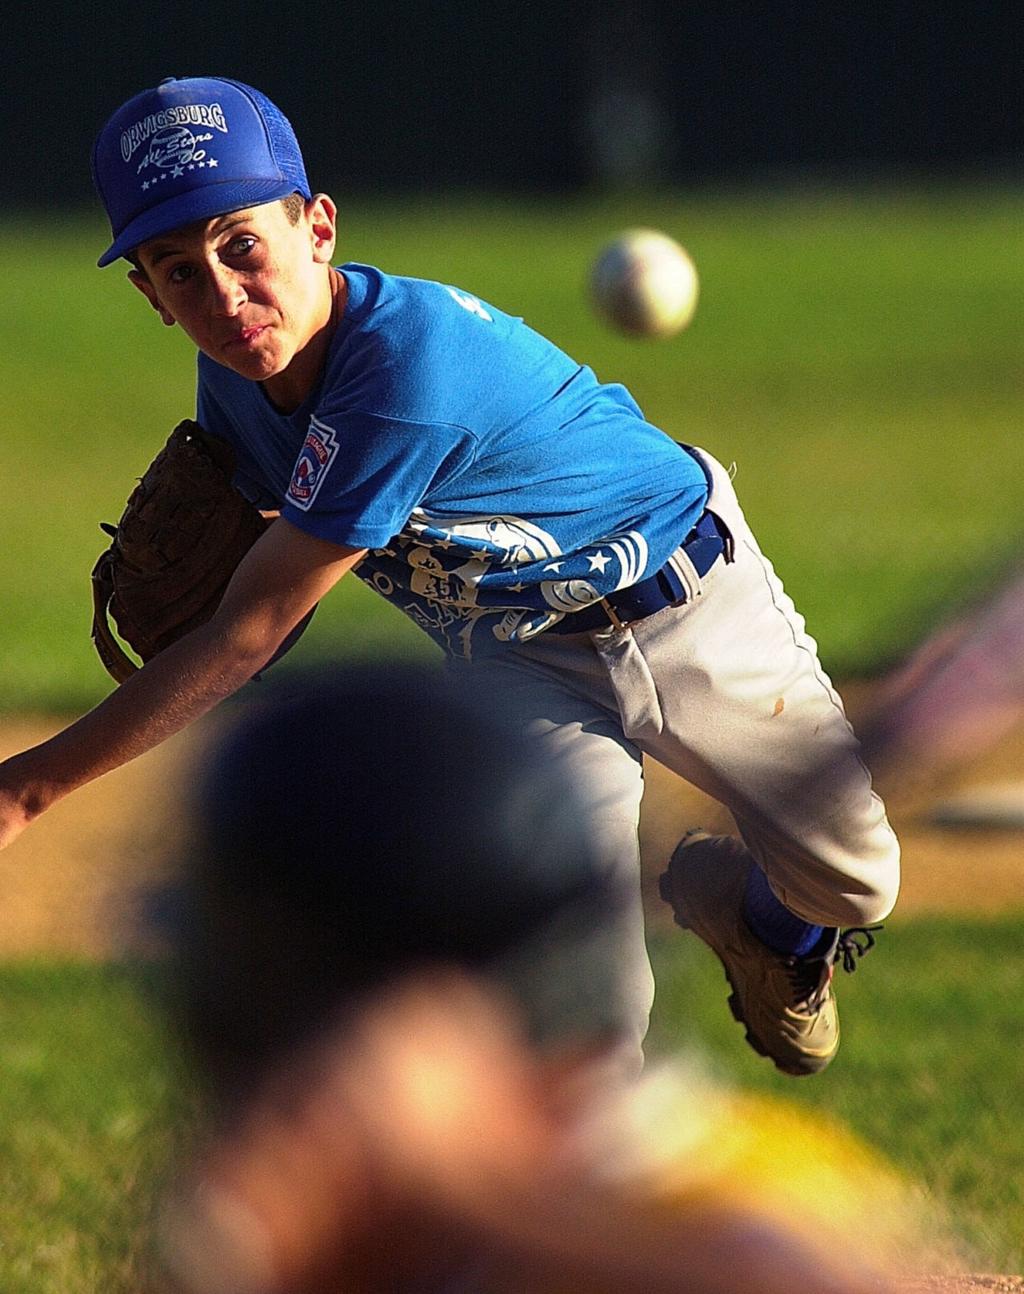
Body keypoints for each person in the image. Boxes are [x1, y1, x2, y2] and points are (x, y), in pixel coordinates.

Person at [0, 75, 899, 1078]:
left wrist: (25, 790)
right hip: (515, 666)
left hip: (688, 603)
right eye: (177, 270)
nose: (222, 295)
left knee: (855, 880)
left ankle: (767, 932)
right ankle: (568, 1212)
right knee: (576, 996)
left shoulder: (403, 371)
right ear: (148, 296)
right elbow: (258, 557)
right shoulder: (237, 380)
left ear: (317, 228)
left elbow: (248, 630)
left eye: (240, 244)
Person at [153, 665, 901, 1294]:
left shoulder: (713, 1183)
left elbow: (785, 1268)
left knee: (855, 873)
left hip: (665, 601)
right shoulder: (290, 1220)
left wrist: (471, 1188)